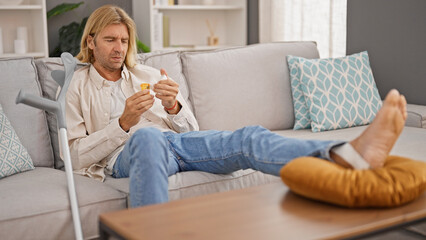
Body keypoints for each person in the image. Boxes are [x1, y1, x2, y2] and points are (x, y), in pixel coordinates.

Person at [66, 5, 407, 208]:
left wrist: (173, 108)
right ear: (91, 41)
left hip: (177, 146)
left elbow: (191, 131)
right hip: (130, 153)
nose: (118, 47)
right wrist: (124, 124)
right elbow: (75, 155)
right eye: (110, 39)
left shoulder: (147, 73)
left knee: (247, 138)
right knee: (148, 138)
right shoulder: (76, 86)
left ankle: (347, 154)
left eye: (123, 40)